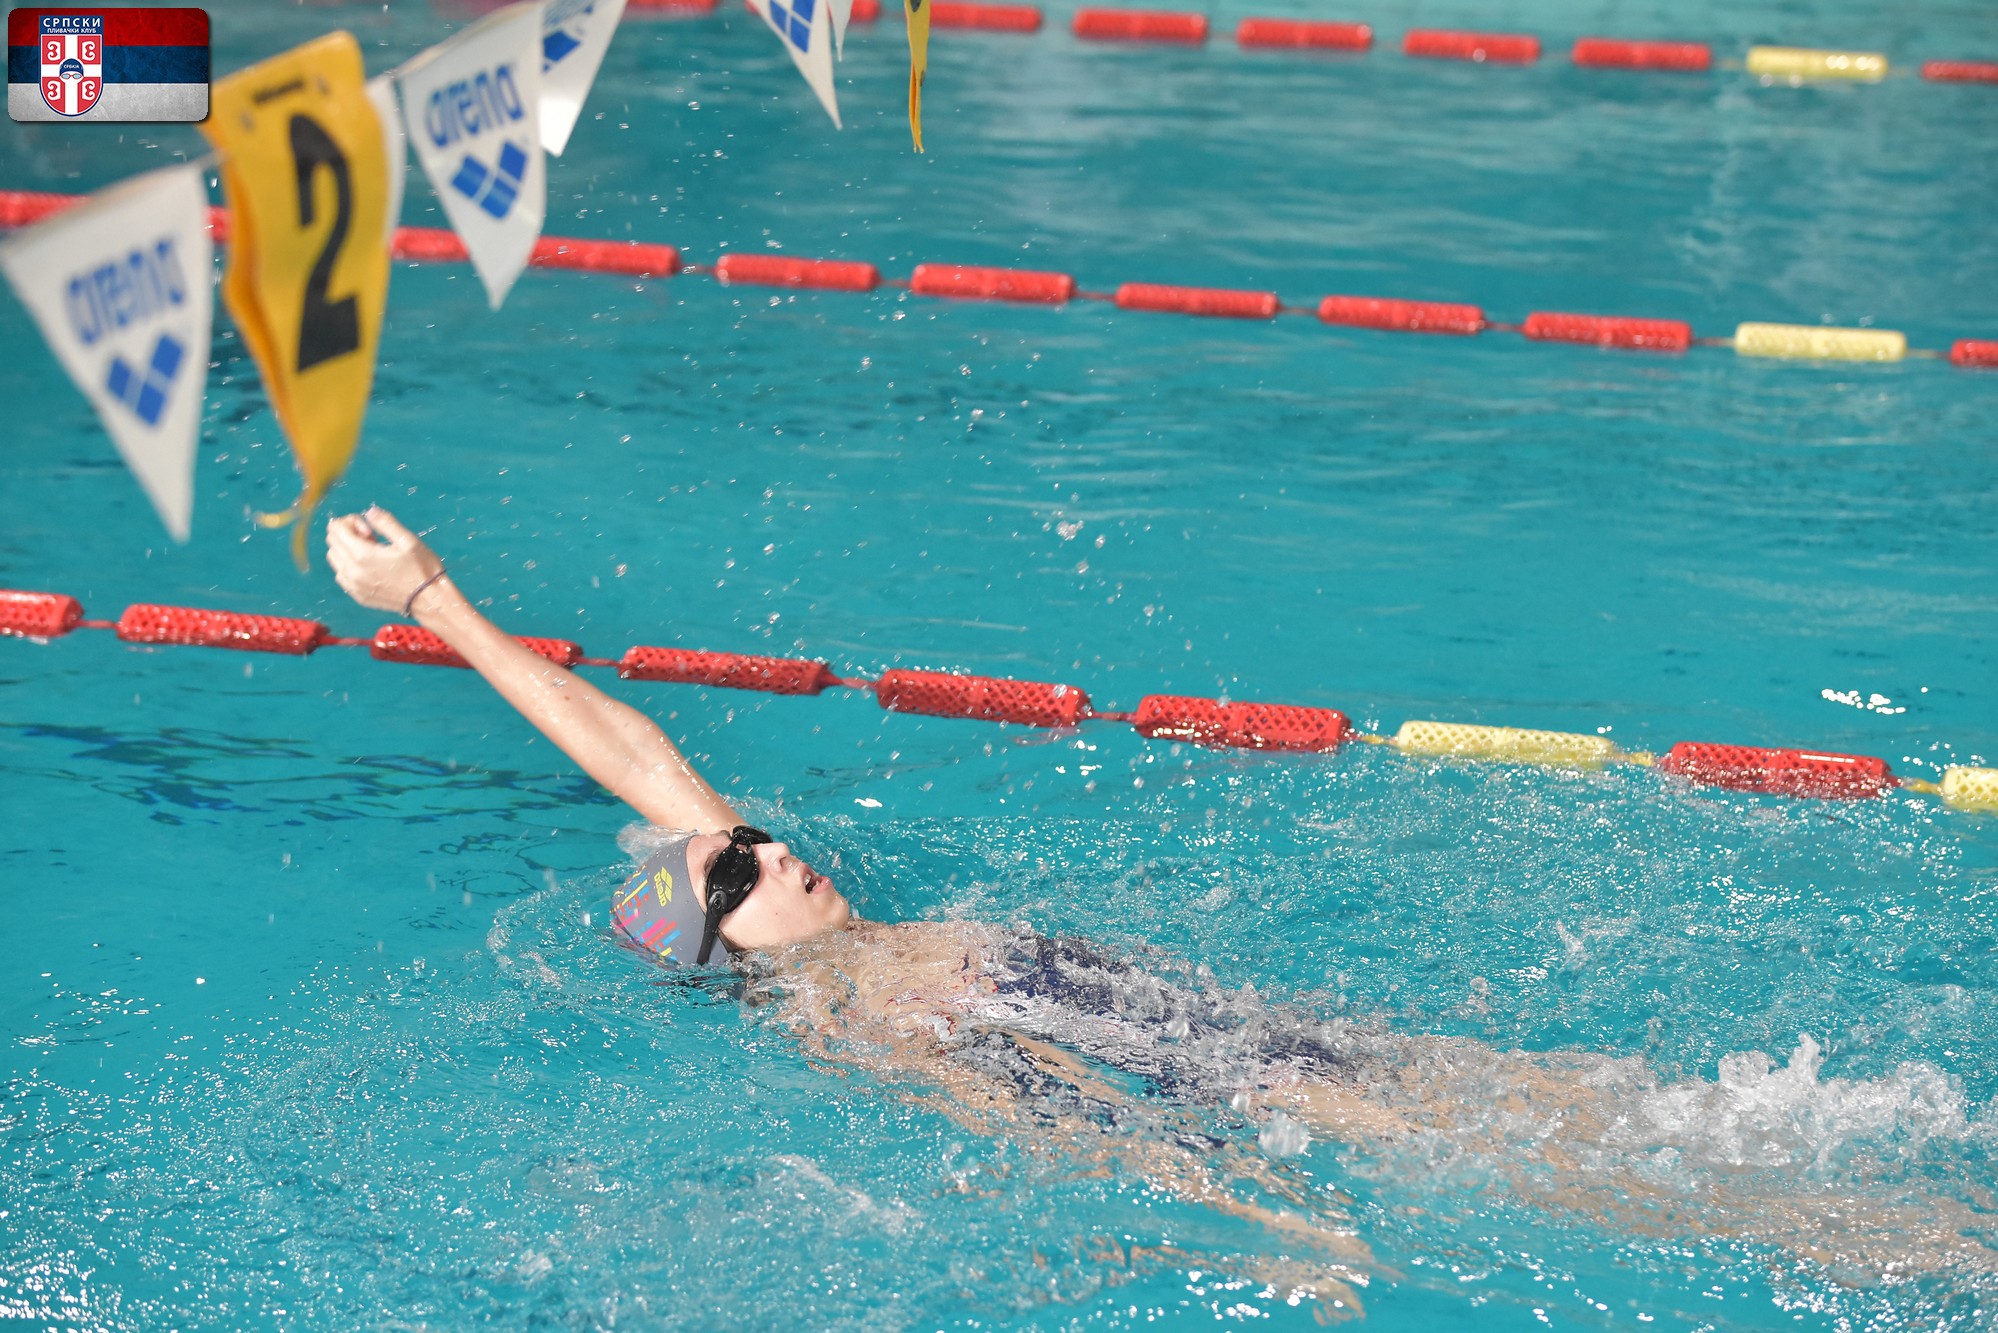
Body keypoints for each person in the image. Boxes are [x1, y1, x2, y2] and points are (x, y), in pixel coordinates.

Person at [326, 507, 1997, 1318]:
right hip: (1260, 1091)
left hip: (1284, 1039)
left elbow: (633, 754)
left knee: (1637, 1111)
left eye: (750, 842)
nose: (765, 853)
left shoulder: (841, 934)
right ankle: (1935, 1255)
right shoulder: (855, 1015)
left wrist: (433, 599)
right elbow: (1059, 1123)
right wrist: (1270, 1218)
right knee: (1626, 1179)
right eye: (735, 879)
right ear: (726, 962)